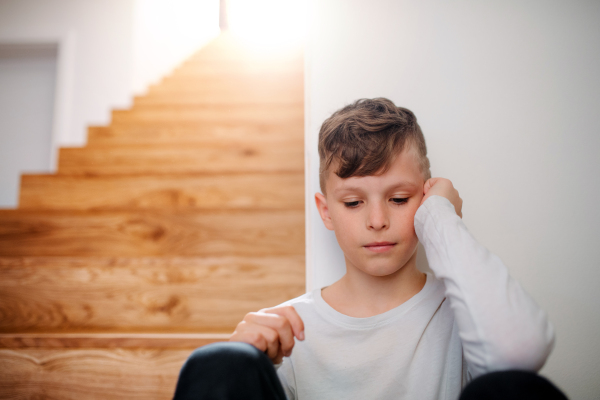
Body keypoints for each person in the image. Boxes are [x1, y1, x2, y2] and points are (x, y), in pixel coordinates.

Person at [173, 98, 567, 400]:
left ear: (426, 198)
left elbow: (521, 351)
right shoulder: (291, 329)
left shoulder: (467, 313)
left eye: (398, 199)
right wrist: (247, 361)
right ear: (326, 212)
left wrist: (441, 218)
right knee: (221, 363)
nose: (377, 220)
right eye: (353, 202)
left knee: (517, 388)